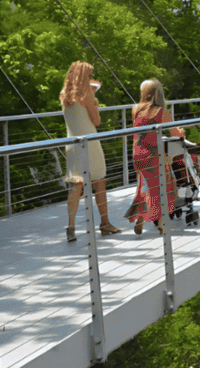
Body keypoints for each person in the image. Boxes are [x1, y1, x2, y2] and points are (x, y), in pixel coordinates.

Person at [61, 60, 120, 241]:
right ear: (83, 76)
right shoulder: (86, 95)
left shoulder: (64, 94)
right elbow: (96, 121)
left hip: (73, 144)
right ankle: (105, 223)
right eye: (89, 75)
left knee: (76, 185)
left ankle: (71, 226)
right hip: (90, 143)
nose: (91, 78)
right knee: (99, 182)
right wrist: (94, 103)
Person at [128, 77, 183, 235]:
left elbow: (135, 135)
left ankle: (140, 218)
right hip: (154, 155)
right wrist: (182, 132)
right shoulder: (162, 111)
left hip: (138, 154)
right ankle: (160, 224)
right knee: (164, 187)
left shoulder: (135, 109)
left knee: (143, 187)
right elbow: (175, 133)